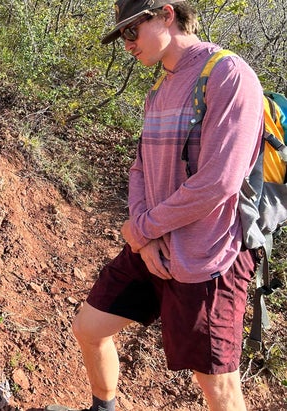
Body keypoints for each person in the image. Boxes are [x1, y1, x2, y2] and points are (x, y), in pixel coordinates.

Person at [46, 0, 264, 410]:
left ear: (167, 14)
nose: (126, 43)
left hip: (209, 255)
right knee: (90, 328)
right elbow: (140, 167)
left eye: (132, 31)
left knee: (219, 388)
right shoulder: (159, 88)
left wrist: (142, 229)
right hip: (151, 245)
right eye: (121, 35)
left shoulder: (227, 74)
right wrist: (143, 238)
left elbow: (219, 180)